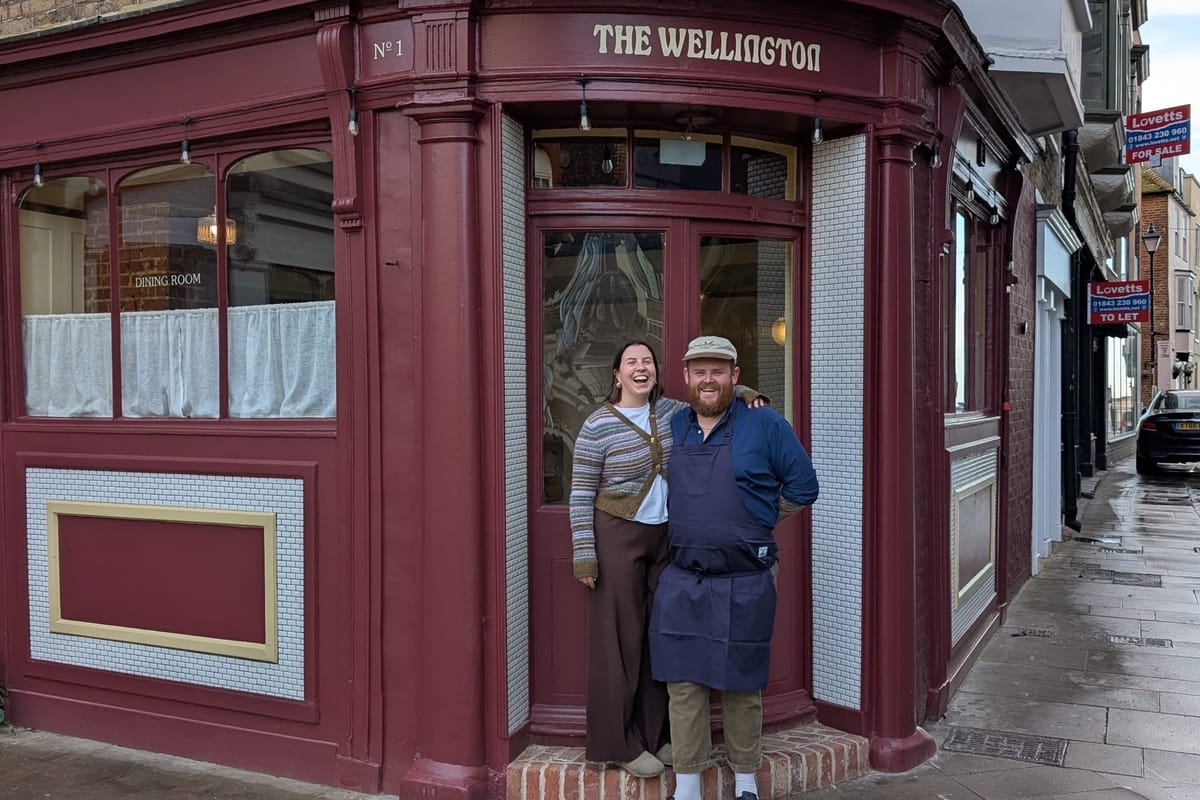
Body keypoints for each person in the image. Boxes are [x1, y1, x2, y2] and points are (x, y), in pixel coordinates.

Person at [570, 340, 766, 778]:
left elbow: (711, 394)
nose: (640, 369)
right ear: (617, 375)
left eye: (647, 362)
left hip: (668, 540)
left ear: (657, 372)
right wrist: (585, 554)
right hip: (615, 536)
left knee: (661, 639)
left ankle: (657, 735)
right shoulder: (597, 425)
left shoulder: (673, 413)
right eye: (631, 363)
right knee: (618, 643)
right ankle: (617, 743)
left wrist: (749, 392)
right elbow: (580, 493)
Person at [648, 335, 819, 800]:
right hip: (684, 577)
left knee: (742, 682)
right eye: (699, 370)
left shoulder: (765, 424)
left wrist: (760, 514)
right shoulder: (672, 422)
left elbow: (804, 486)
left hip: (747, 577)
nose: (708, 379)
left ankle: (746, 779)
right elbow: (632, 395)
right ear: (685, 377)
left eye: (718, 371)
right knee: (683, 684)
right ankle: (687, 785)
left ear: (735, 376)